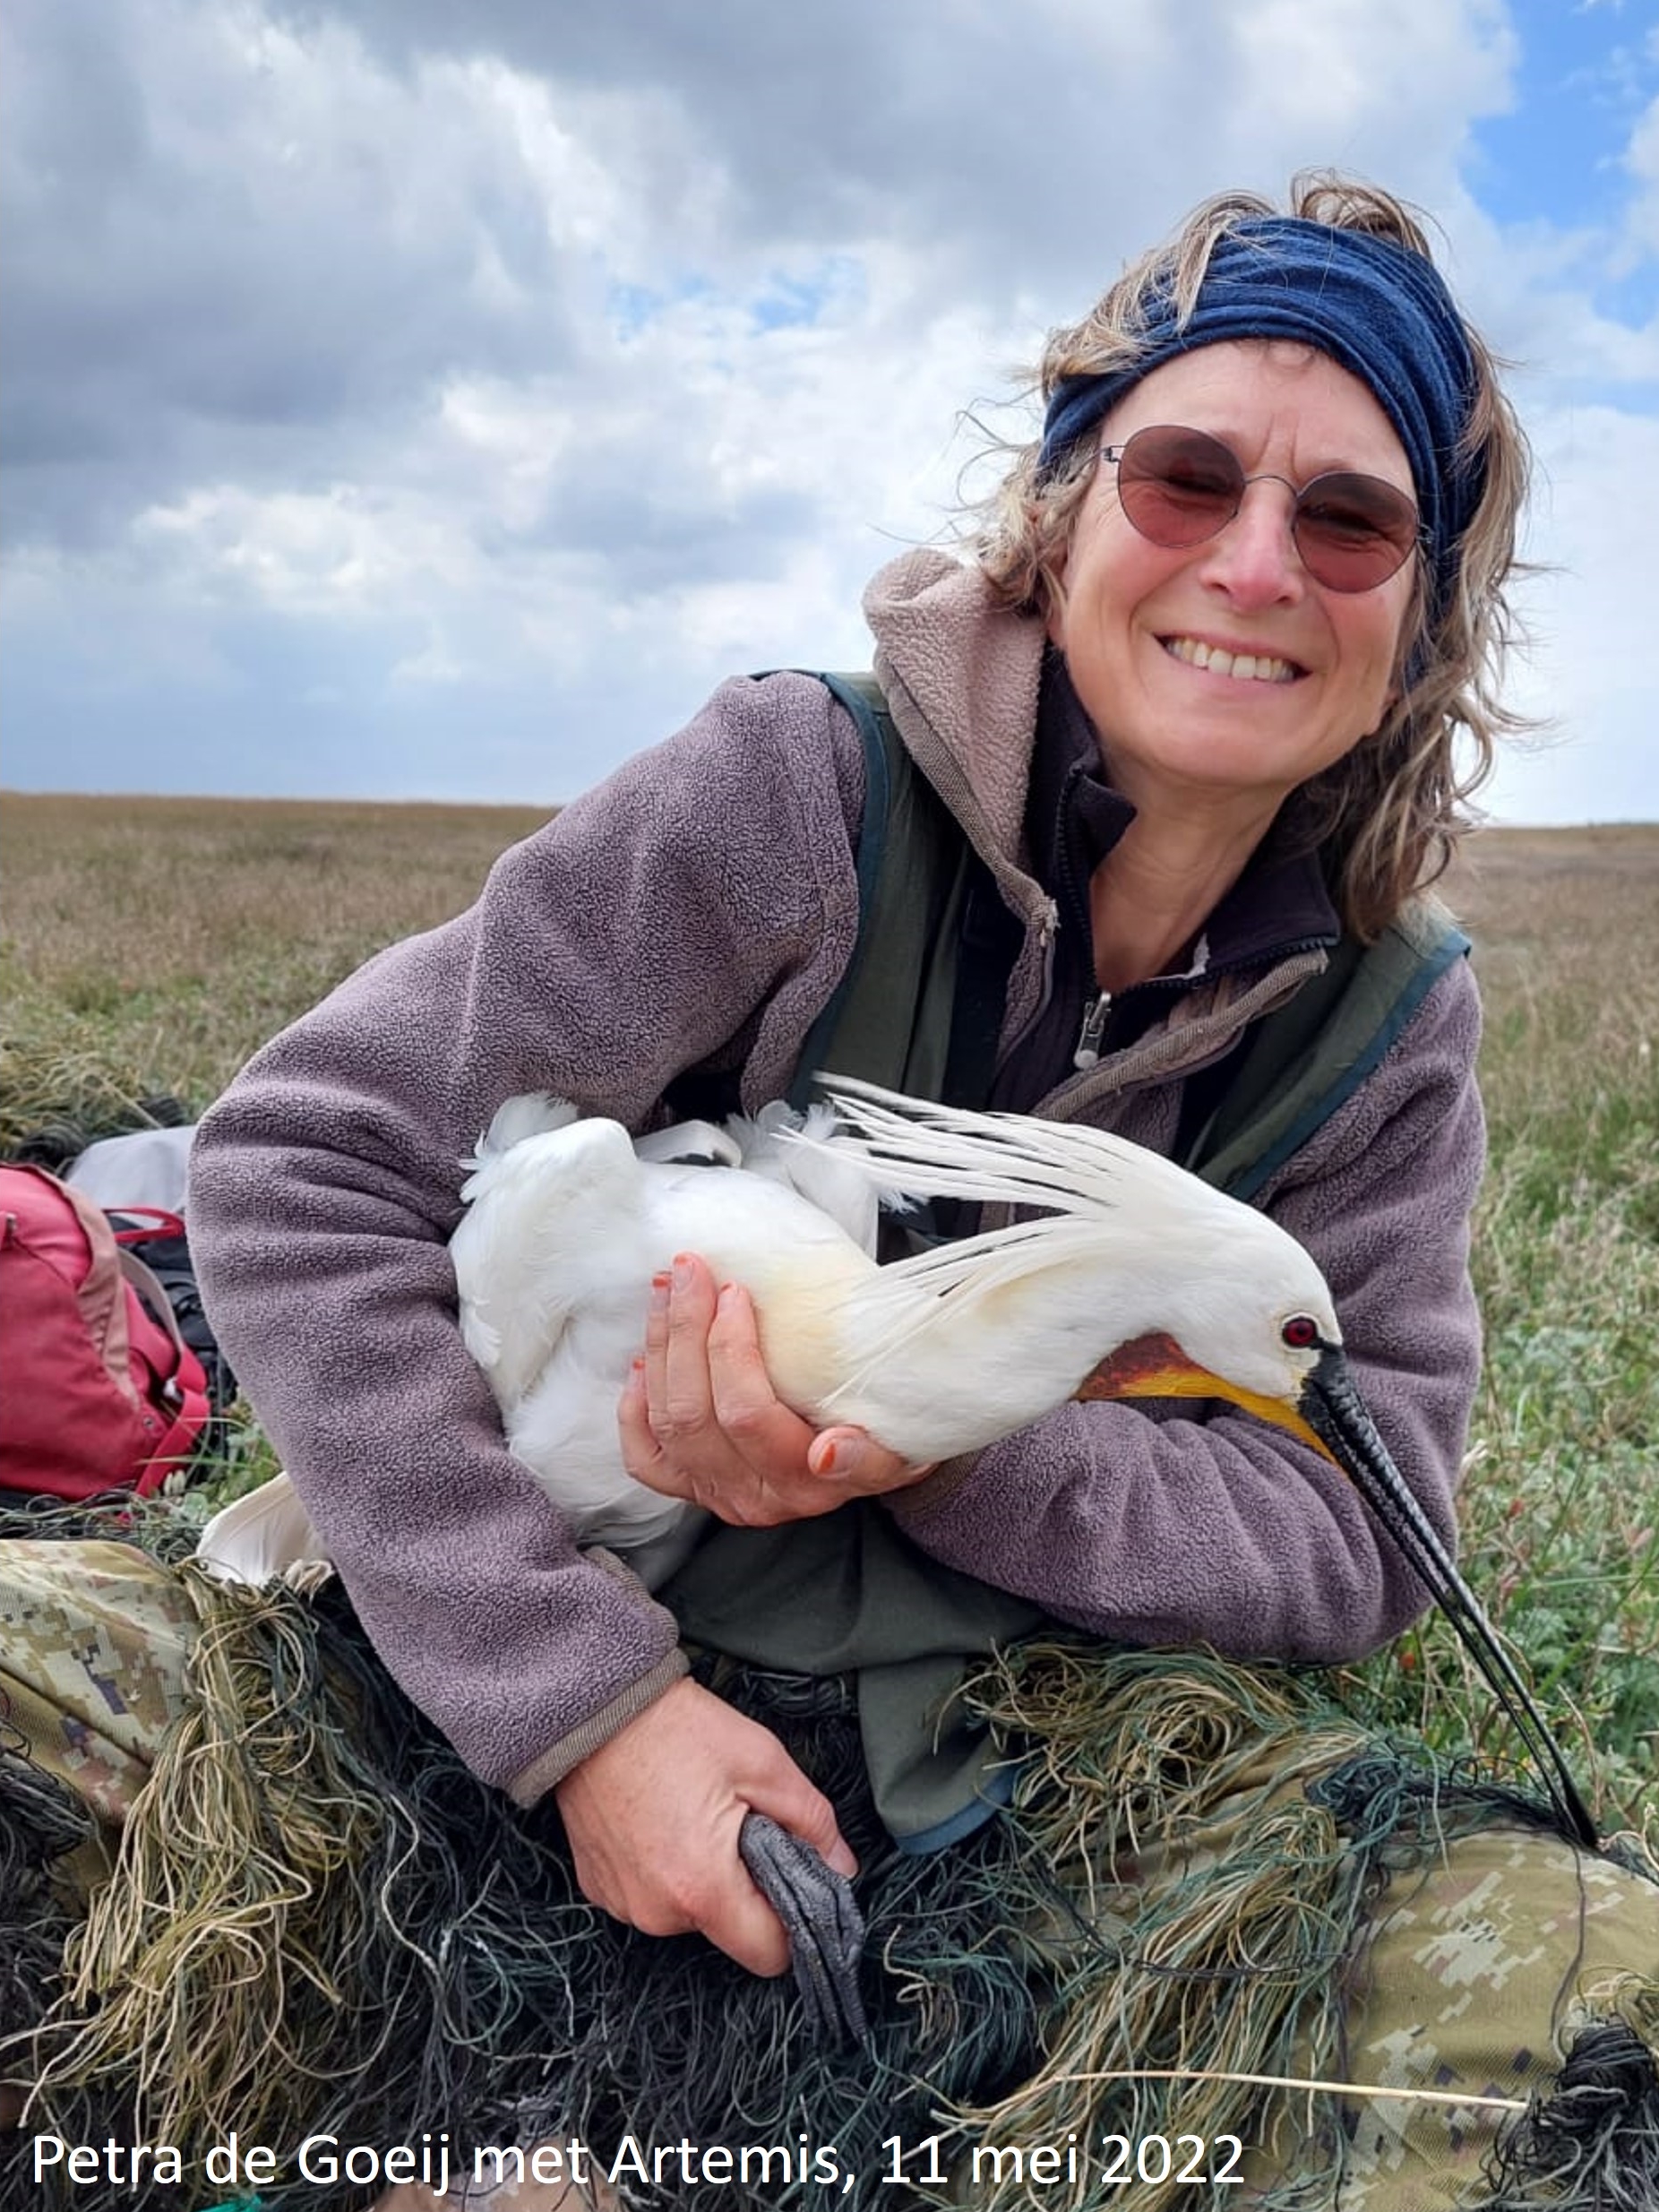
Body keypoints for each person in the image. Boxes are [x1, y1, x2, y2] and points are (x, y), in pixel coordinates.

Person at [184, 172, 1513, 1981]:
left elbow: (1359, 1538)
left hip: (1003, 1759)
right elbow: (297, 1167)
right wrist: (585, 1709)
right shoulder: (793, 797)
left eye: (1350, 520)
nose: (1256, 564)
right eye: (1184, 478)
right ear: (1058, 515)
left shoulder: (1384, 1027)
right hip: (526, 1615)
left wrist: (928, 1439)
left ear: (1420, 613)